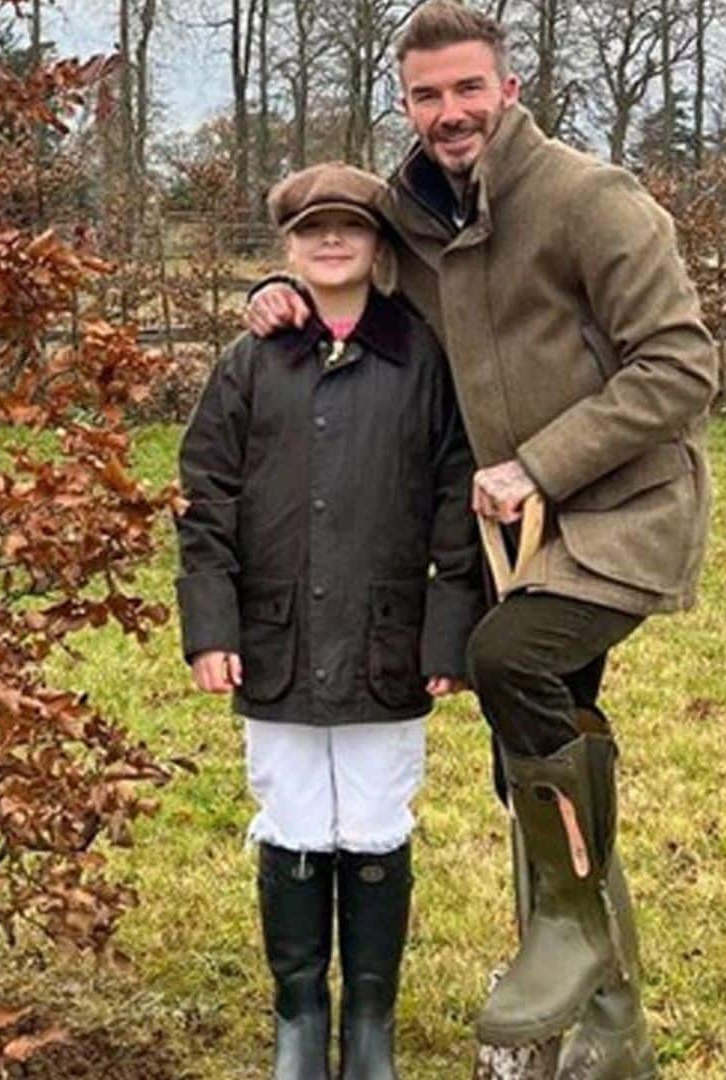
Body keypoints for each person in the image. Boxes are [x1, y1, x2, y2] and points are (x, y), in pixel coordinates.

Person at [245, 4, 718, 1075]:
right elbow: (344, 269)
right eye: (426, 96)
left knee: (510, 662)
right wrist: (276, 292)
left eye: (467, 89)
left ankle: (575, 967)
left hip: (623, 513)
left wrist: (541, 462)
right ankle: (600, 1032)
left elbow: (682, 368)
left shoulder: (592, 202)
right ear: (404, 105)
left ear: (507, 88)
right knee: (539, 757)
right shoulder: (415, 216)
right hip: (520, 536)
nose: (448, 113)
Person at [175, 162, 485, 1080]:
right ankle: (301, 1015)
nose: (333, 242)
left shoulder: (423, 357)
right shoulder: (250, 362)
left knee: (377, 815)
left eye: (351, 227)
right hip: (276, 635)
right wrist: (212, 625)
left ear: (379, 244)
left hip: (390, 633)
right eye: (313, 230)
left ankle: (372, 1023)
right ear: (288, 248)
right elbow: (206, 498)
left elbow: (456, 493)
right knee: (296, 813)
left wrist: (448, 626)